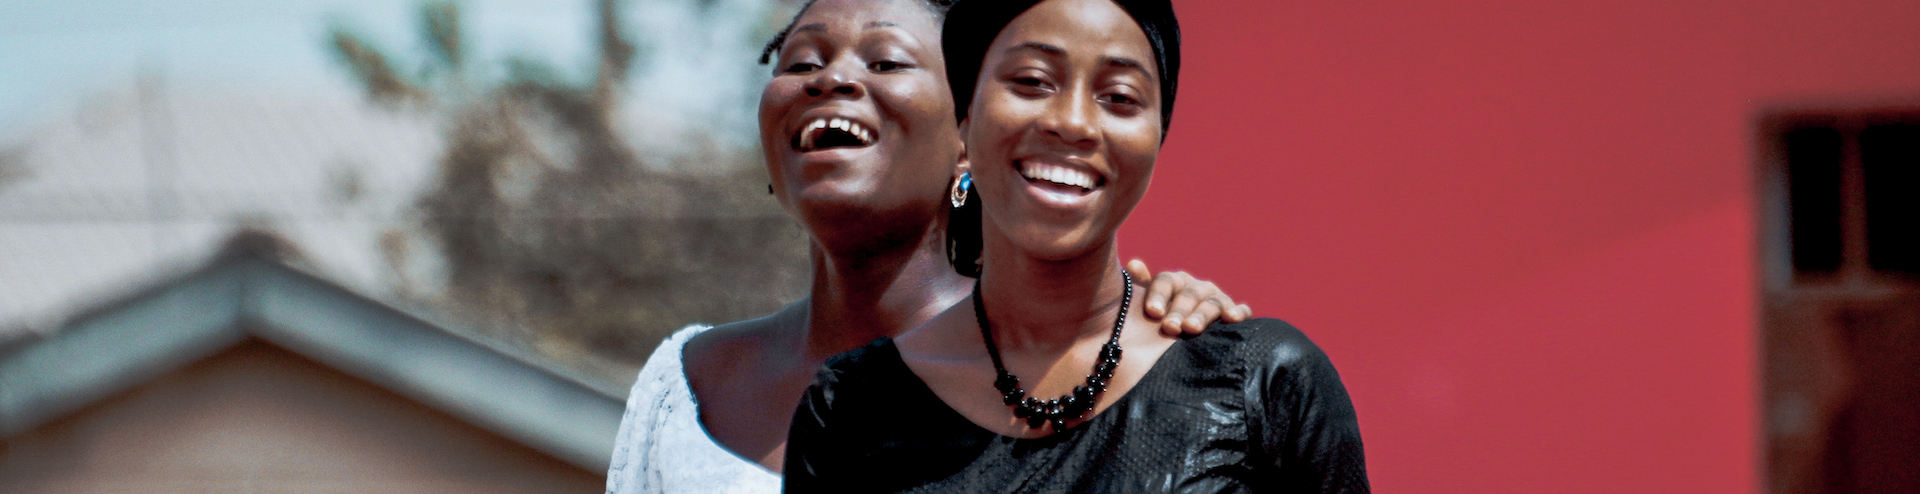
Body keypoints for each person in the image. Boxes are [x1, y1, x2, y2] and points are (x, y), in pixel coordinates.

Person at [604, 0, 1251, 491]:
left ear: (970, 129)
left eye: (884, 61)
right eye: (801, 61)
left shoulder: (1073, 374)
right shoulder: (684, 380)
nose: (830, 80)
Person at [782, 0, 1369, 491]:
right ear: (963, 121)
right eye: (1032, 81)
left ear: (1155, 140)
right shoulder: (850, 410)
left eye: (1119, 97)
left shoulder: (1261, 384)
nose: (1074, 122)